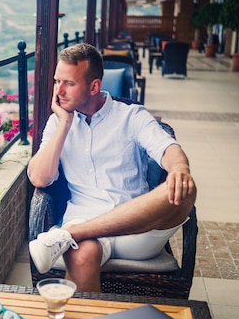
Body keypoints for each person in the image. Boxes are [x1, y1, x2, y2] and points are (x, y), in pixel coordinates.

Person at [28, 43, 197, 293]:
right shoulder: (57, 122)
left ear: (94, 86)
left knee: (187, 189)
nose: (59, 91)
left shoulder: (132, 116)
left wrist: (179, 169)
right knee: (81, 255)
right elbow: (39, 179)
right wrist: (64, 124)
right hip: (85, 224)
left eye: (69, 83)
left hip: (138, 232)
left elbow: (168, 148)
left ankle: (69, 234)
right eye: (56, 82)